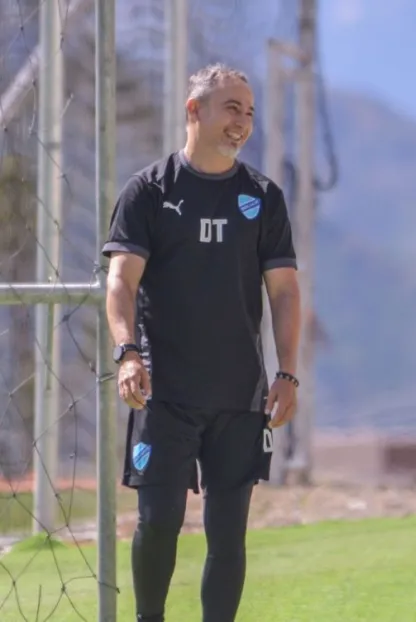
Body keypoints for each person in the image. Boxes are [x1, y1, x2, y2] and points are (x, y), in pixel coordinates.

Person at [103, 63, 301, 622]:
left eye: (250, 112)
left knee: (228, 535)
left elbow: (285, 292)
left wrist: (287, 373)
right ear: (195, 111)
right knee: (157, 523)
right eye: (231, 108)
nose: (242, 122)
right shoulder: (148, 191)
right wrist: (127, 352)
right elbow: (121, 281)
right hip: (163, 393)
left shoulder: (262, 197)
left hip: (240, 396)